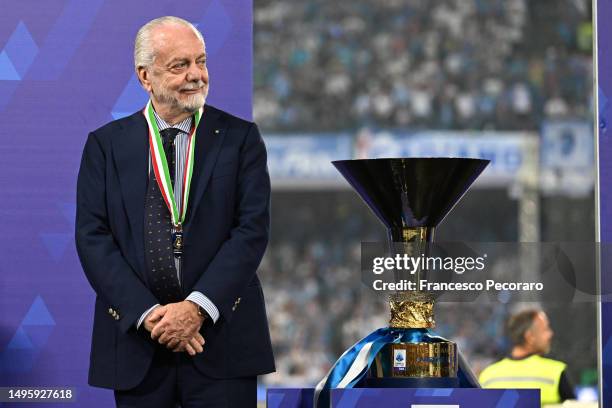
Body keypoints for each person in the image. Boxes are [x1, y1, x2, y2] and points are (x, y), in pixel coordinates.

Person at [75, 16, 274, 407]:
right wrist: (149, 314)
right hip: (139, 347)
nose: (196, 75)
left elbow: (251, 232)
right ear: (145, 76)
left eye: (200, 61)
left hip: (221, 343)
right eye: (179, 65)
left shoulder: (240, 138)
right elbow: (93, 238)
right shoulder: (105, 146)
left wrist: (196, 309)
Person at [479, 309, 575, 406]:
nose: (550, 334)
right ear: (530, 337)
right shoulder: (555, 372)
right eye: (545, 329)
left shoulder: (487, 375)